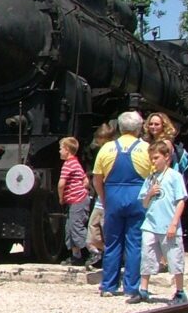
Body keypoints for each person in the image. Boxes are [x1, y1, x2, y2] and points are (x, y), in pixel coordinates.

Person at [92, 111, 152, 297]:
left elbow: (97, 179)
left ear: (119, 127)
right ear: (139, 127)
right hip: (138, 196)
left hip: (113, 195)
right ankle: (131, 288)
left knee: (113, 243)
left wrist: (104, 198)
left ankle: (108, 286)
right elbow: (153, 177)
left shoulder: (107, 148)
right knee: (134, 243)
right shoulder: (146, 148)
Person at [129, 140, 188, 306]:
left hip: (168, 224)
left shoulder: (174, 177)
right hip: (150, 224)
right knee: (147, 255)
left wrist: (174, 223)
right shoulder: (150, 179)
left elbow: (181, 201)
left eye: (156, 158)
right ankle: (143, 289)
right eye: (151, 158)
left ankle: (180, 291)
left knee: (174, 257)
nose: (153, 161)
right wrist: (149, 193)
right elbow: (144, 203)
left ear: (166, 157)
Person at [84, 122, 116, 269]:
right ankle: (101, 253)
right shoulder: (98, 151)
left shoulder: (113, 151)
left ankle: (110, 257)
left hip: (108, 196)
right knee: (94, 229)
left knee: (106, 228)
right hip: (101, 197)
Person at [58, 137, 89, 266]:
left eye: (61, 149)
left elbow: (61, 184)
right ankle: (76, 257)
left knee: (76, 227)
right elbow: (86, 181)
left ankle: (93, 250)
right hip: (77, 199)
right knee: (70, 228)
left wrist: (61, 198)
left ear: (67, 150)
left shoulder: (68, 164)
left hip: (77, 200)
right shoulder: (76, 163)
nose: (59, 151)